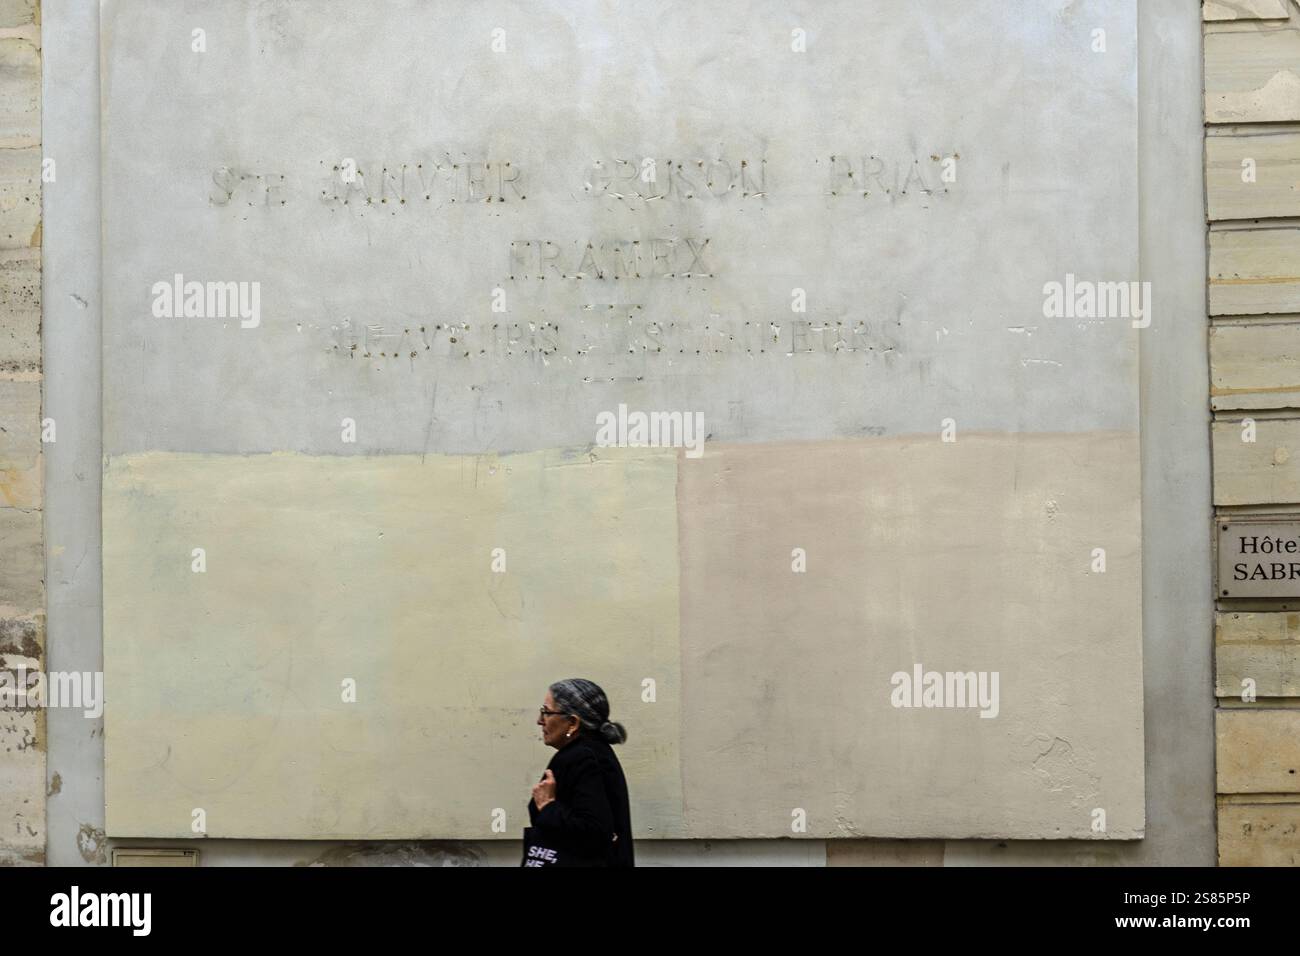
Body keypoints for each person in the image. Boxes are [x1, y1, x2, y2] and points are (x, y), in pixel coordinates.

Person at [525, 678, 634, 867]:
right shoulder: (595, 752)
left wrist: (548, 806)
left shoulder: (581, 758)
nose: (540, 721)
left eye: (547, 712)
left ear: (573, 723)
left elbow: (594, 830)